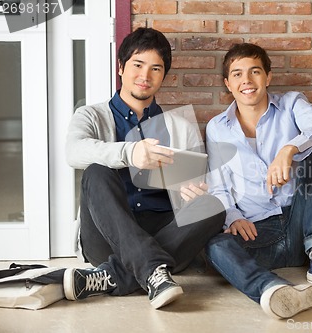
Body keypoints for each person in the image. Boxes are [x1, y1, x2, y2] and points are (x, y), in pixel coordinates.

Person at [63, 27, 225, 309]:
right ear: (121, 67)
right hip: (107, 233)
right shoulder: (90, 115)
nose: (145, 76)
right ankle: (152, 268)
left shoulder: (180, 125)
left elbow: (193, 185)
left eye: (155, 69)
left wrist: (191, 192)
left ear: (164, 75)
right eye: (138, 65)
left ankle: (113, 277)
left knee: (212, 207)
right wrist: (130, 152)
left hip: (162, 231)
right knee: (96, 171)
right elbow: (74, 152)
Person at [205, 43, 312, 319]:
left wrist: (290, 149)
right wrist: (233, 217)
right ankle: (274, 289)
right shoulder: (217, 128)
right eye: (237, 74)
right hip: (259, 233)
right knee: (214, 246)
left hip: (302, 225)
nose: (246, 81)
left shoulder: (292, 104)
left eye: (255, 72)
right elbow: (218, 183)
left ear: (268, 77)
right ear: (227, 83)